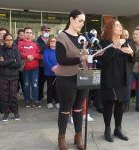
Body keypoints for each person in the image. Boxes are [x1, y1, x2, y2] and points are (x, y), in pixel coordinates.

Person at [55, 9, 89, 150]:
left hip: (83, 76)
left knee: (78, 108)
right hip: (66, 78)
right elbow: (61, 60)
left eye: (83, 21)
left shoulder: (83, 38)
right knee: (65, 109)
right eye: (80, 20)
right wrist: (80, 58)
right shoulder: (62, 37)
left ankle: (78, 136)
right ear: (71, 19)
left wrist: (89, 55)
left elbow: (85, 57)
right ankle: (61, 138)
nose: (82, 24)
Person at [98, 19, 133, 142]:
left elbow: (130, 62)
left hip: (123, 78)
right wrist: (116, 45)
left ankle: (118, 129)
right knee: (109, 103)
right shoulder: (103, 42)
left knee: (120, 104)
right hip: (110, 78)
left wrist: (131, 53)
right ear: (110, 28)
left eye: (120, 25)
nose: (120, 27)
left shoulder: (126, 42)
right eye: (117, 25)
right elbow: (104, 60)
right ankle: (107, 129)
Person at [0, 33, 21, 121]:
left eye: (11, 39)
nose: (9, 41)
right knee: (5, 96)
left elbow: (18, 63)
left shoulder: (16, 49)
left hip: (14, 76)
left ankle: (15, 112)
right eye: (7, 40)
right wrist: (12, 60)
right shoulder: (0, 50)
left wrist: (6, 62)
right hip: (4, 77)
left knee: (13, 95)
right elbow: (1, 63)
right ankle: (6, 113)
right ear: (4, 40)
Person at [18, 27, 41, 108]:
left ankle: (35, 101)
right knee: (26, 85)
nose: (29, 34)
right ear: (24, 34)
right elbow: (18, 54)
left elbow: (40, 55)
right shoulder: (19, 43)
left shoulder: (36, 43)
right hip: (25, 69)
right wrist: (26, 56)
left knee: (35, 85)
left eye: (30, 32)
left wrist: (33, 56)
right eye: (27, 32)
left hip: (35, 69)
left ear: (32, 34)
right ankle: (26, 101)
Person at [43, 37, 59, 109]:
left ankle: (57, 101)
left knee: (57, 88)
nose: (53, 42)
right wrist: (52, 68)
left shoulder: (59, 51)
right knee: (50, 87)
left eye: (54, 41)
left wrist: (57, 67)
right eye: (51, 41)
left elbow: (61, 60)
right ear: (49, 42)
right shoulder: (46, 51)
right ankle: (49, 102)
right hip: (49, 72)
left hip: (58, 72)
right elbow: (46, 61)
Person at [37, 25, 51, 102]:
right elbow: (37, 52)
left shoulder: (52, 40)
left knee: (50, 83)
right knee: (40, 82)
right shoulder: (37, 41)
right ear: (41, 31)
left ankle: (51, 98)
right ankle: (39, 97)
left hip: (50, 65)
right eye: (46, 31)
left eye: (48, 31)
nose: (47, 32)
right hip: (41, 65)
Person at [129, 27, 139, 111]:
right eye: (134, 34)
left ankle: (138, 106)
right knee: (127, 88)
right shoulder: (130, 44)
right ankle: (124, 107)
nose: (134, 35)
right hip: (131, 70)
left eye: (137, 34)